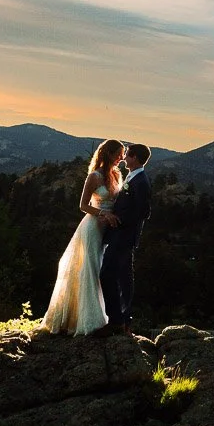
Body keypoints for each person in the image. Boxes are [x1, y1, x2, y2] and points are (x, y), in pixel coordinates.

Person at [41, 139, 123, 336]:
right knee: (90, 269)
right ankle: (88, 321)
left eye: (123, 154)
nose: (121, 158)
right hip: (93, 226)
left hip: (110, 229)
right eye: (119, 154)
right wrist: (103, 214)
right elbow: (83, 205)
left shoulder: (117, 174)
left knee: (101, 271)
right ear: (109, 154)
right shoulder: (94, 176)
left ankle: (102, 316)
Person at [93, 142, 152, 337]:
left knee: (107, 274)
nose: (124, 157)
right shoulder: (133, 177)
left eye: (127, 154)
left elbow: (143, 212)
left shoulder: (141, 181)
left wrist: (119, 221)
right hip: (121, 236)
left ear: (134, 158)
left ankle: (116, 321)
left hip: (123, 236)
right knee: (124, 279)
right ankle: (125, 321)